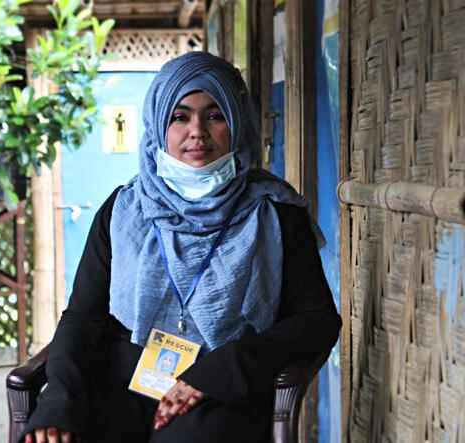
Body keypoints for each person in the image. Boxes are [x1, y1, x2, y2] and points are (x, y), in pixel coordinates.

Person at [22, 51, 341, 443]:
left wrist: (222, 370)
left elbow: (317, 320)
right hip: (122, 381)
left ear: (237, 123)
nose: (197, 132)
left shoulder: (275, 212)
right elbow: (84, 317)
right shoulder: (124, 209)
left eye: (215, 115)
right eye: (180, 116)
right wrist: (58, 401)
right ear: (158, 124)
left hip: (219, 389)